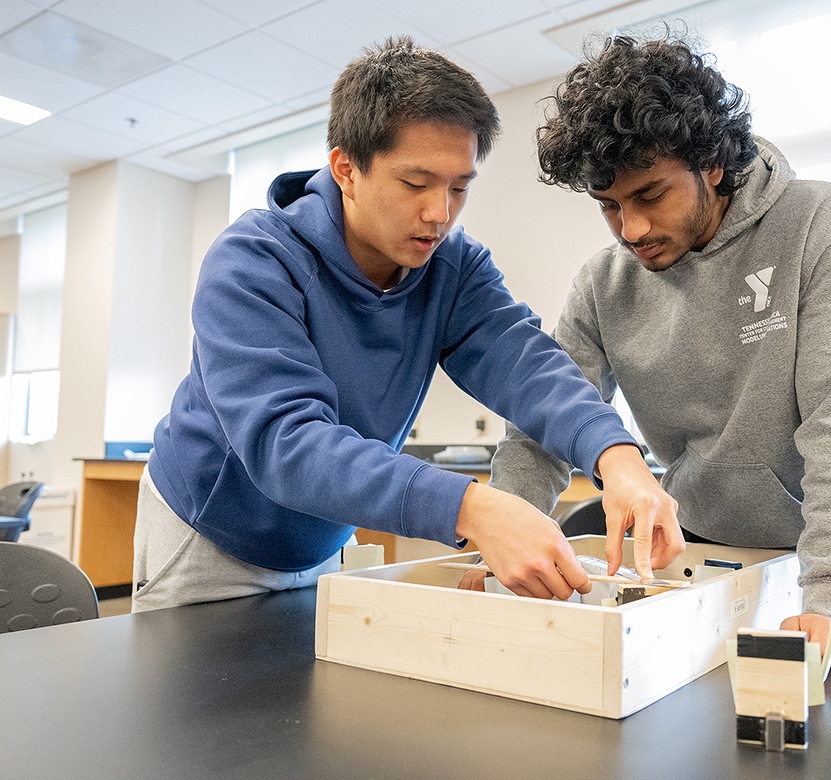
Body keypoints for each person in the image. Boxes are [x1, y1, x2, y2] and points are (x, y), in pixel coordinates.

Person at [132, 37, 684, 613]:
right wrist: (472, 509)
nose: (439, 213)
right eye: (416, 184)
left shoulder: (453, 267)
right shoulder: (253, 261)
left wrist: (617, 457)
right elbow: (285, 443)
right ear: (346, 168)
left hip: (320, 537)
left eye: (460, 187)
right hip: (208, 532)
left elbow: (526, 364)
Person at [489, 34, 831, 666]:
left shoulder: (818, 223)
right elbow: (545, 426)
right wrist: (499, 547)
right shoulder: (604, 284)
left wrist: (829, 601)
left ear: (711, 163)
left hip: (829, 565)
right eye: (609, 206)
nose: (630, 230)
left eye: (650, 195)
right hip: (703, 558)